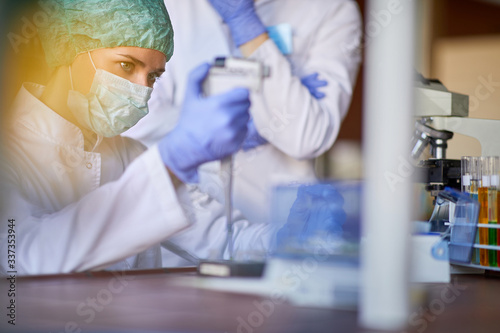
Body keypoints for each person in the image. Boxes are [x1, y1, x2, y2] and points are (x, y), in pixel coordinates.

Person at [0, 0, 269, 275]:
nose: (142, 90)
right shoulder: (8, 153)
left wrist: (296, 235)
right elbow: (23, 258)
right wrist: (170, 163)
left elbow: (226, 240)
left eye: (153, 76)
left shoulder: (131, 154)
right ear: (70, 47)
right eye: (127, 65)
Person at [125, 0, 363, 225]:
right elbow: (137, 117)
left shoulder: (331, 9)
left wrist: (248, 28)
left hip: (272, 222)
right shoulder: (169, 5)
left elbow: (307, 136)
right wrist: (225, 126)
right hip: (185, 220)